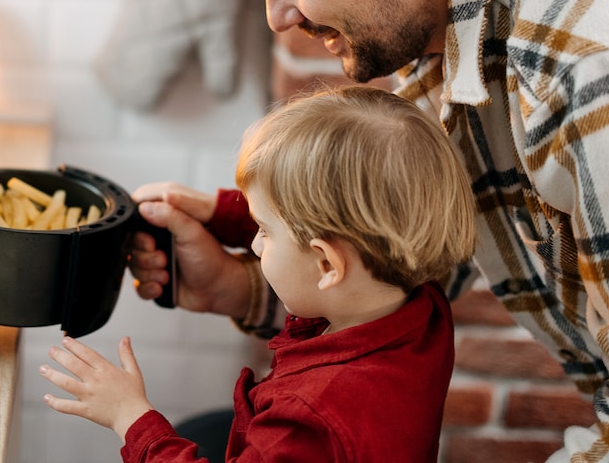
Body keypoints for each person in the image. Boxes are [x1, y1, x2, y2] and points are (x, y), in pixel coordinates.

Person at [127, 0, 609, 461]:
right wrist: (236, 289)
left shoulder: (606, 63)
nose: (278, 17)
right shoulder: (438, 3)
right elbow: (399, 253)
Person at [41, 86, 477, 462]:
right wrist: (219, 212)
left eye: (264, 231)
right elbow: (339, 231)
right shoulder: (421, 303)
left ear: (326, 265)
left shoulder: (305, 421)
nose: (254, 243)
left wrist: (130, 417)